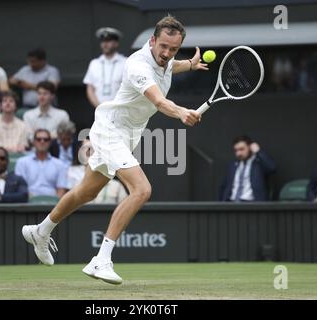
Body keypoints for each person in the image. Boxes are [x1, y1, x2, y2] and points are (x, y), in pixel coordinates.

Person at [22, 16, 208, 284]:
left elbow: (169, 67)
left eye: (174, 49)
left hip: (127, 135)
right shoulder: (136, 65)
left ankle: (41, 230)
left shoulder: (165, 61)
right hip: (109, 131)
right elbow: (158, 100)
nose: (167, 54)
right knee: (142, 190)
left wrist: (188, 64)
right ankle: (102, 260)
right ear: (152, 41)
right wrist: (181, 112)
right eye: (163, 47)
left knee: (86, 192)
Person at [219, 135, 276, 202]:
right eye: (236, 150)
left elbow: (272, 168)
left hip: (251, 205)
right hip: (231, 203)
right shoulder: (232, 166)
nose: (238, 153)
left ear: (250, 147)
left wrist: (258, 152)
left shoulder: (258, 164)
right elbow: (224, 186)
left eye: (241, 149)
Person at [15, 129, 68, 197]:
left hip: (52, 203)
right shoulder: (22, 162)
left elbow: (61, 191)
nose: (42, 141)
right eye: (38, 139)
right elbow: (20, 188)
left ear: (50, 142)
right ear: (34, 142)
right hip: (28, 204)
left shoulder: (60, 165)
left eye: (46, 139)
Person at [83, 27, 126, 108]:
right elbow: (90, 89)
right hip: (99, 110)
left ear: (116, 43)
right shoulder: (94, 63)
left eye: (108, 41)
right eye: (103, 41)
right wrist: (99, 107)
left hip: (120, 110)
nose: (105, 44)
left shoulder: (125, 62)